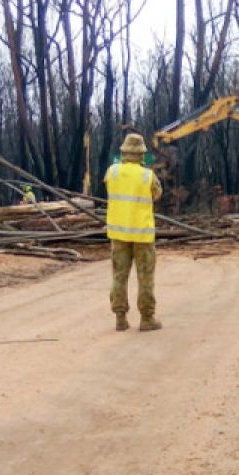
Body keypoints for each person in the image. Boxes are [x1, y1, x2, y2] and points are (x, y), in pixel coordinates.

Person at [105, 133, 164, 332]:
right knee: (145, 277)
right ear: (141, 154)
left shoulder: (112, 172)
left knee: (119, 276)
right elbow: (157, 195)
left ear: (123, 152)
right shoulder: (148, 176)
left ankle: (120, 318)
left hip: (118, 234)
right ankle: (147, 319)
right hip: (142, 235)